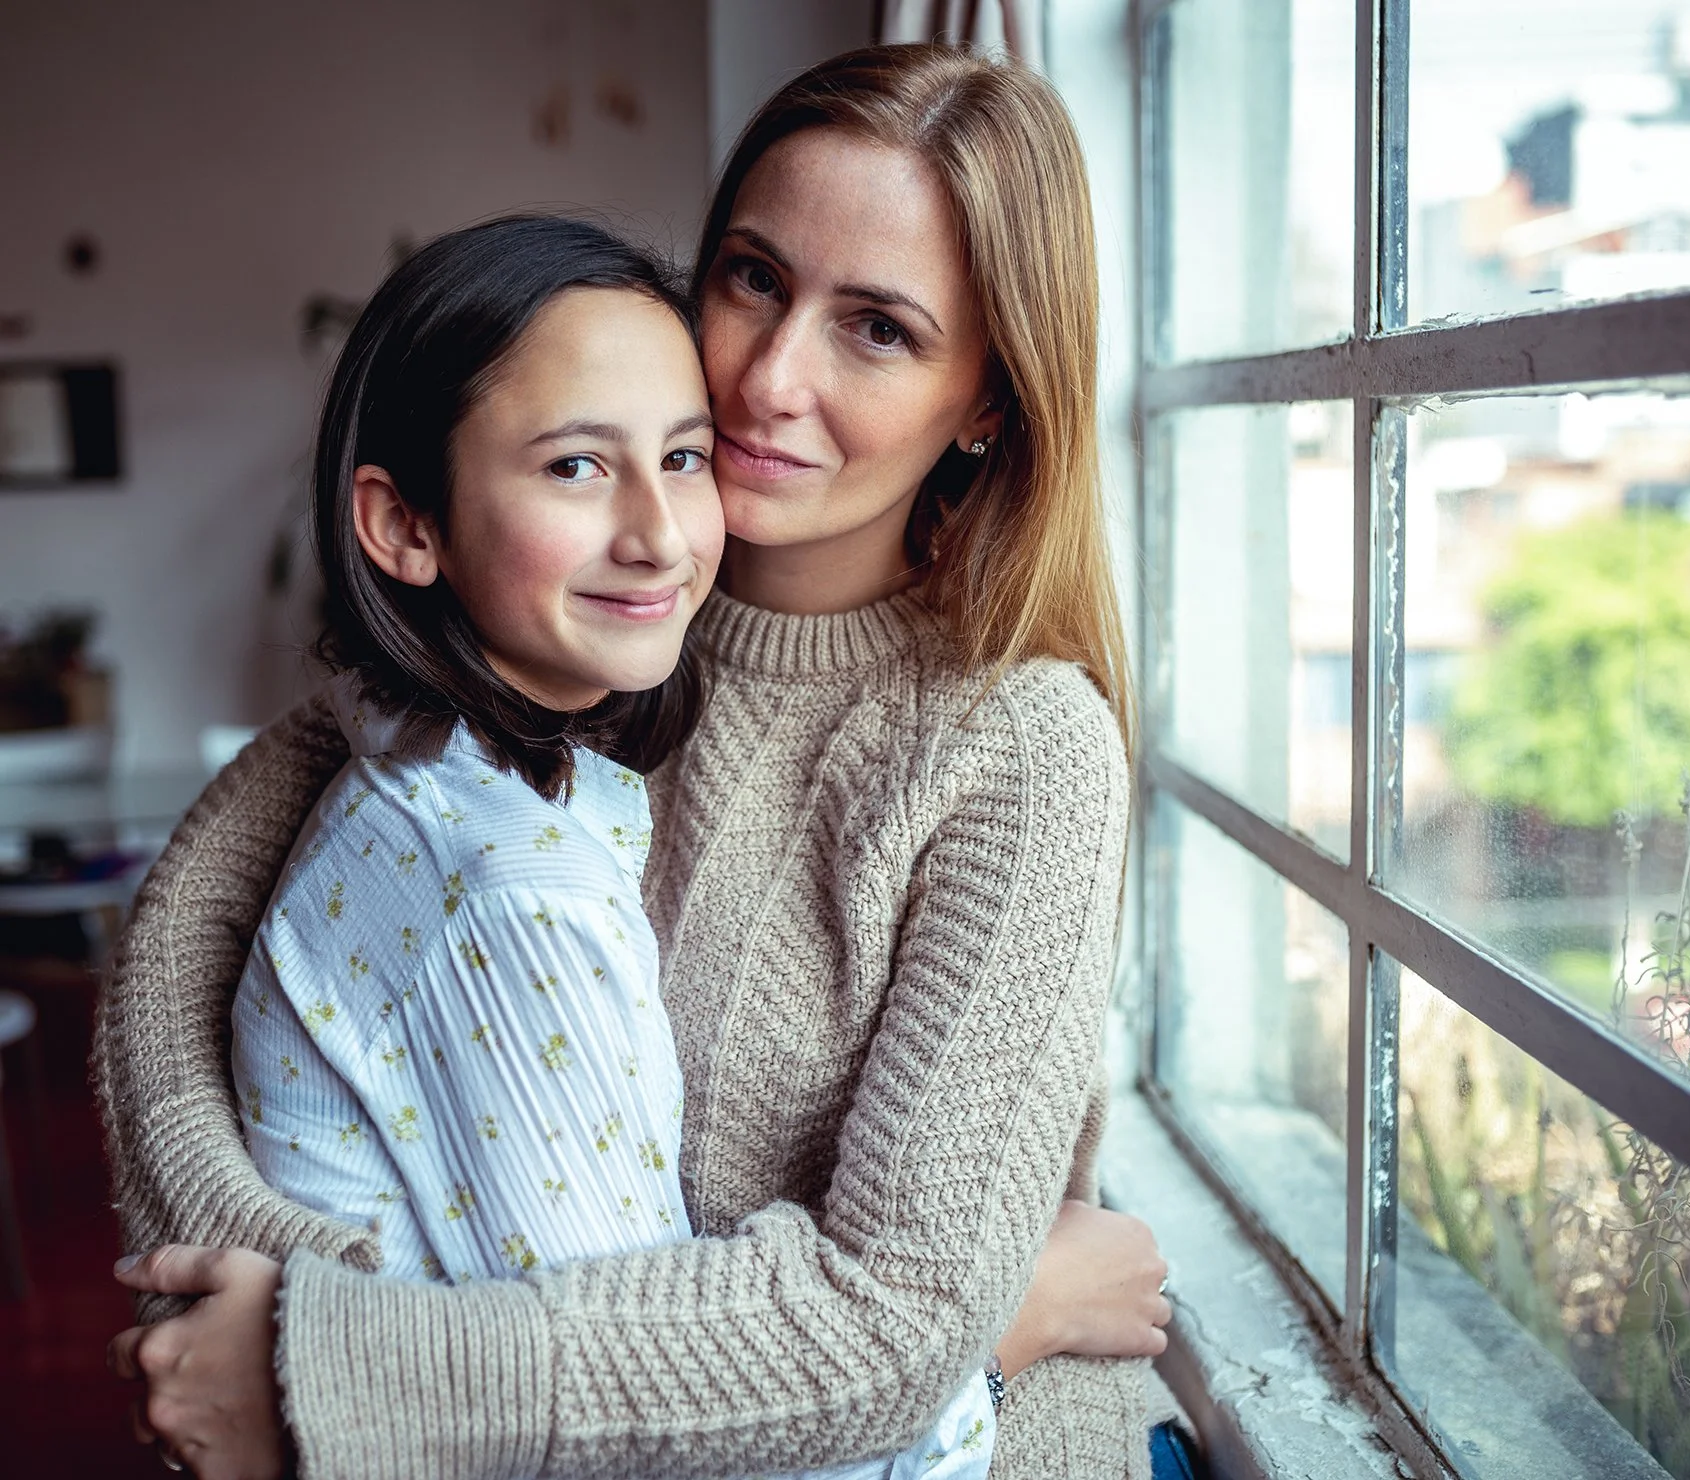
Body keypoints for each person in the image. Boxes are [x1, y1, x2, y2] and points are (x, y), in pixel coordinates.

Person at [98, 42, 1192, 1480]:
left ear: (988, 397)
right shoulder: (580, 613)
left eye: (878, 328)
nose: (767, 377)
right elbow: (171, 963)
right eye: (752, 277)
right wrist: (295, 1333)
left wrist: (341, 1370)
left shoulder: (1016, 744)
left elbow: (894, 1328)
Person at [214, 210, 997, 1480]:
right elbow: (662, 1432)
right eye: (577, 467)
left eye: (685, 459)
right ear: (403, 526)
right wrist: (991, 1351)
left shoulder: (456, 768)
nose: (658, 533)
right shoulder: (508, 889)